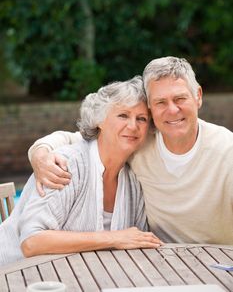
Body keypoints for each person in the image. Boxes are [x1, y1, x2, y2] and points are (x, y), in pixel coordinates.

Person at [29, 57, 233, 244]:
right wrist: (40, 152)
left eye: (180, 99)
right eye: (160, 102)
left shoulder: (226, 150)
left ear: (198, 96)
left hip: (218, 263)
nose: (172, 110)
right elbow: (80, 140)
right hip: (162, 260)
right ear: (152, 108)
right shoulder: (138, 141)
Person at [0, 76, 162, 267]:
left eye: (141, 119)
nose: (133, 126)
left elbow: (137, 241)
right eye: (123, 115)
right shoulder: (66, 165)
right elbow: (32, 241)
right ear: (99, 120)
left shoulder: (133, 180)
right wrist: (113, 238)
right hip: (15, 275)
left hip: (82, 275)